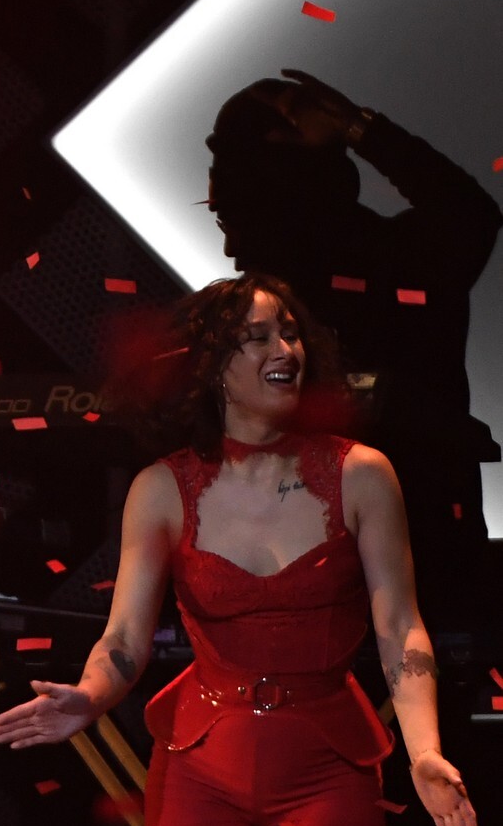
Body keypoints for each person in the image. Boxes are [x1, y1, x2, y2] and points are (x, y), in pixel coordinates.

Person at [0, 273, 476, 826]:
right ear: (212, 364)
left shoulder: (360, 475)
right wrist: (91, 696)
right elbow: (125, 640)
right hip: (200, 768)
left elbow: (402, 628)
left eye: (289, 331)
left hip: (326, 767)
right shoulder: (163, 488)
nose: (284, 349)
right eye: (256, 336)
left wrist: (426, 752)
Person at [206, 72, 501, 632]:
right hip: (376, 579)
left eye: (235, 218)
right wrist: (361, 131)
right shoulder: (409, 259)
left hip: (413, 572)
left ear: (278, 192)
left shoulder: (402, 263)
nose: (230, 248)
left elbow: (471, 215)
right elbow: (469, 213)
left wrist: (360, 130)